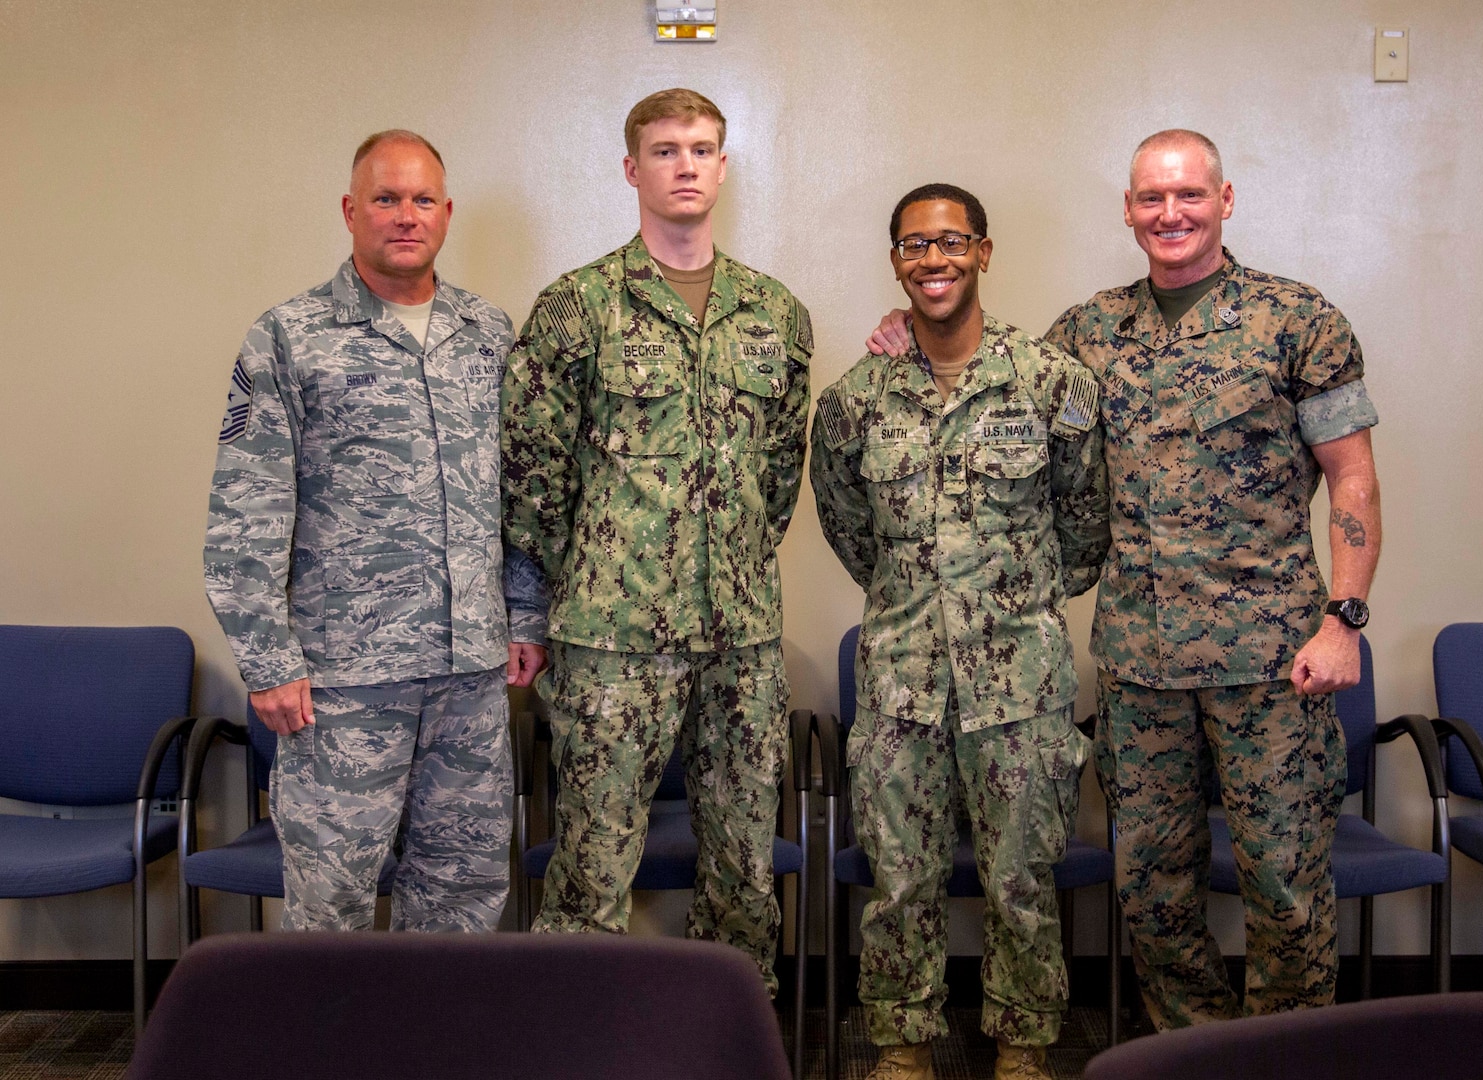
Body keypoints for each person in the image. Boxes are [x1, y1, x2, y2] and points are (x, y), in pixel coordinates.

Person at [868, 130, 1383, 1030]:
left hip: (1269, 659)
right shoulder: (1091, 333)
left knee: (1284, 883)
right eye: (1151, 198)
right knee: (1151, 890)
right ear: (1129, 210)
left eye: (1189, 196)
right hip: (1139, 668)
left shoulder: (1298, 321)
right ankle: (1193, 1052)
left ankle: (1290, 1057)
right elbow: (992, 369)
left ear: (1225, 201)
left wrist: (1344, 620)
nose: (1170, 214)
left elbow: (1353, 476)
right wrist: (905, 334)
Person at [501, 88, 812, 993]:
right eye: (666, 149)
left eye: (702, 148)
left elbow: (775, 480)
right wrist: (602, 570)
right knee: (593, 864)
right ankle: (578, 1044)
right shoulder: (578, 307)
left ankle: (734, 1039)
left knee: (746, 870)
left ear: (723, 166)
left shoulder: (776, 316)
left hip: (741, 642)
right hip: (612, 642)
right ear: (632, 168)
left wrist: (731, 560)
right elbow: (532, 475)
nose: (686, 165)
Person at [204, 130, 548, 932]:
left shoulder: (488, 335)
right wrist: (268, 660)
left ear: (447, 212)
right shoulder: (290, 334)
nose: (405, 216)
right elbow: (245, 510)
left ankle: (443, 1054)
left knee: (462, 895)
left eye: (422, 200)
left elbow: (522, 493)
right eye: (386, 199)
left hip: (470, 673)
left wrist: (524, 613)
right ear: (351, 211)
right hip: (341, 682)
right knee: (331, 904)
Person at [816, 184, 1110, 1080]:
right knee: (899, 881)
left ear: (984, 251)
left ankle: (1023, 1046)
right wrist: (918, 596)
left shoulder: (1054, 383)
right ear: (895, 262)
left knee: (1022, 881)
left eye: (950, 242)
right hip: (901, 682)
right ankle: (902, 1047)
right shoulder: (856, 399)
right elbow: (846, 523)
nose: (932, 260)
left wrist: (1007, 602)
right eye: (913, 245)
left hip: (1021, 683)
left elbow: (1086, 525)